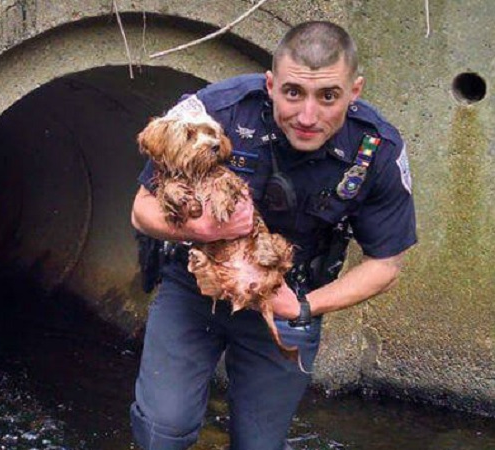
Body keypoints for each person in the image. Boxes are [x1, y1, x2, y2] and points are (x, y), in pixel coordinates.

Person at [129, 21, 417, 450]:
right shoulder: (215, 110)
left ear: (354, 92)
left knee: (259, 444)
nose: (307, 115)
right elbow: (141, 209)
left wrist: (302, 307)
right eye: (293, 92)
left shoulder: (376, 149)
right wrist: (200, 228)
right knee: (163, 429)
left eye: (328, 97)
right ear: (270, 84)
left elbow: (386, 265)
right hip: (194, 286)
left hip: (286, 301)